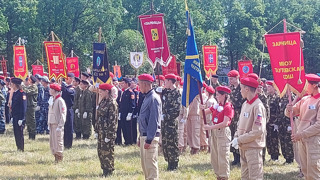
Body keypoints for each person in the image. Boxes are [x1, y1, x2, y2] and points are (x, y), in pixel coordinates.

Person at [285, 74, 320, 180]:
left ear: (314, 85)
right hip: (302, 139)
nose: (304, 88)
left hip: (313, 140)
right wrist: (288, 109)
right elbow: (290, 113)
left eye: (306, 85)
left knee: (314, 170)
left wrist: (301, 134)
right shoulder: (305, 99)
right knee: (305, 170)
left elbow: (319, 125)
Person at [231, 77, 267, 179]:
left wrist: (239, 139)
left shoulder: (258, 106)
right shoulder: (245, 104)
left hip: (253, 148)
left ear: (247, 89)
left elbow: (258, 131)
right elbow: (240, 124)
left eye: (241, 88)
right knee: (245, 176)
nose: (240, 91)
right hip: (244, 146)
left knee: (255, 176)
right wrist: (236, 137)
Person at [202, 86, 234, 180]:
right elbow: (203, 113)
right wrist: (202, 109)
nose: (216, 96)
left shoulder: (228, 107)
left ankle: (224, 176)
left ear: (224, 95)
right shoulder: (217, 106)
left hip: (222, 133)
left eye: (218, 95)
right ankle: (218, 175)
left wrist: (210, 127)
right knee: (215, 156)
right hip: (215, 132)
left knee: (223, 156)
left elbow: (225, 123)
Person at [137, 74, 161, 180]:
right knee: (145, 165)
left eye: (140, 84)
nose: (139, 86)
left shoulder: (153, 98)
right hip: (144, 135)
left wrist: (149, 139)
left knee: (151, 165)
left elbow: (153, 121)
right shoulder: (147, 97)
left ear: (145, 84)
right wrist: (140, 136)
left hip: (150, 137)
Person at [96, 83, 118, 177]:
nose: (100, 93)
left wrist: (109, 136)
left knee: (107, 152)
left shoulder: (112, 103)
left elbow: (113, 121)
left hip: (107, 132)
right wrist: (97, 131)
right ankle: (104, 169)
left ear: (107, 91)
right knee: (101, 151)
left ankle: (109, 171)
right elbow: (99, 117)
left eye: (101, 91)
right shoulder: (103, 102)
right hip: (101, 131)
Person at [160, 74, 181, 170]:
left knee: (172, 143)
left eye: (166, 81)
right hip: (164, 122)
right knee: (165, 143)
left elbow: (176, 110)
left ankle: (174, 163)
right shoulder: (166, 92)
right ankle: (169, 161)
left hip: (171, 123)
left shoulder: (176, 93)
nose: (165, 83)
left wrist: (166, 116)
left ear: (170, 81)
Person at [228, 70, 244, 165]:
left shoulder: (242, 88)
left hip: (240, 115)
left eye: (232, 79)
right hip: (232, 116)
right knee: (232, 135)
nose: (230, 81)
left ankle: (240, 157)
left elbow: (240, 102)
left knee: (239, 135)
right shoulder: (231, 89)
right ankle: (235, 157)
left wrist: (231, 101)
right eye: (229, 79)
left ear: (237, 78)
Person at [48, 83, 66, 162]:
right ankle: (55, 155)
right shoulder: (52, 99)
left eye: (51, 89)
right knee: (53, 141)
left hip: (57, 124)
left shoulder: (60, 100)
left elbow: (63, 113)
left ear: (54, 91)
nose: (49, 90)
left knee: (58, 141)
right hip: (52, 123)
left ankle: (59, 157)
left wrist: (60, 125)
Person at [116, 78, 135, 145]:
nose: (122, 84)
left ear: (127, 84)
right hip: (123, 113)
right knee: (123, 127)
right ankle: (126, 141)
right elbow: (121, 103)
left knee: (128, 128)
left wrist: (130, 113)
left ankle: (129, 142)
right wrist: (120, 112)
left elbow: (132, 104)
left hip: (128, 113)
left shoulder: (130, 92)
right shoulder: (123, 92)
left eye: (123, 83)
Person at [11, 78, 27, 151]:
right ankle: (18, 147)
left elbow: (23, 107)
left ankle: (21, 147)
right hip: (15, 116)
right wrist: (12, 116)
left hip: (19, 116)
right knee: (16, 132)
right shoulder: (15, 93)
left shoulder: (22, 93)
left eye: (12, 84)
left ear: (15, 85)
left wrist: (22, 118)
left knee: (20, 133)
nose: (11, 85)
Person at [266, 81, 280, 161]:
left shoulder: (277, 97)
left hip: (274, 121)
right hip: (268, 121)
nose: (268, 88)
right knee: (269, 139)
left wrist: (276, 122)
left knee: (274, 139)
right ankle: (271, 154)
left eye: (269, 87)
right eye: (267, 87)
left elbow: (279, 110)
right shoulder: (267, 97)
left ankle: (276, 156)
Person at [61, 73, 75, 148]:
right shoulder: (65, 87)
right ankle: (64, 142)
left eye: (68, 78)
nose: (66, 79)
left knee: (69, 127)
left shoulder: (72, 88)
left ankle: (68, 144)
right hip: (63, 108)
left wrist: (63, 87)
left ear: (72, 79)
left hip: (69, 109)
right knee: (64, 126)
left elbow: (68, 92)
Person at [23, 76, 38, 140]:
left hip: (31, 105)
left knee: (32, 120)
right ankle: (30, 134)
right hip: (28, 105)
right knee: (28, 120)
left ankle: (33, 134)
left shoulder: (34, 87)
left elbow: (27, 92)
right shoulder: (30, 87)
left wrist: (22, 86)